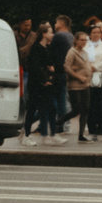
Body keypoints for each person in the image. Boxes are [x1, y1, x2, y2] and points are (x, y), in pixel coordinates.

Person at [66, 21, 102, 144]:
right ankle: (58, 122)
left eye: (85, 40)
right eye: (82, 40)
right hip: (76, 85)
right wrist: (77, 76)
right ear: (76, 40)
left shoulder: (85, 53)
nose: (84, 42)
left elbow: (88, 65)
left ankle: (81, 134)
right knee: (76, 109)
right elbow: (67, 67)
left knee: (85, 109)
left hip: (85, 85)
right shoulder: (72, 52)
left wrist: (88, 74)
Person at [40, 14, 76, 144]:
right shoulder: (71, 36)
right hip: (65, 72)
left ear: (61, 23)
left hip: (56, 72)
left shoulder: (59, 36)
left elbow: (51, 52)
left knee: (52, 102)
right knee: (62, 100)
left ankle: (53, 125)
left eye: (55, 23)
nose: (54, 25)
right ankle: (61, 126)